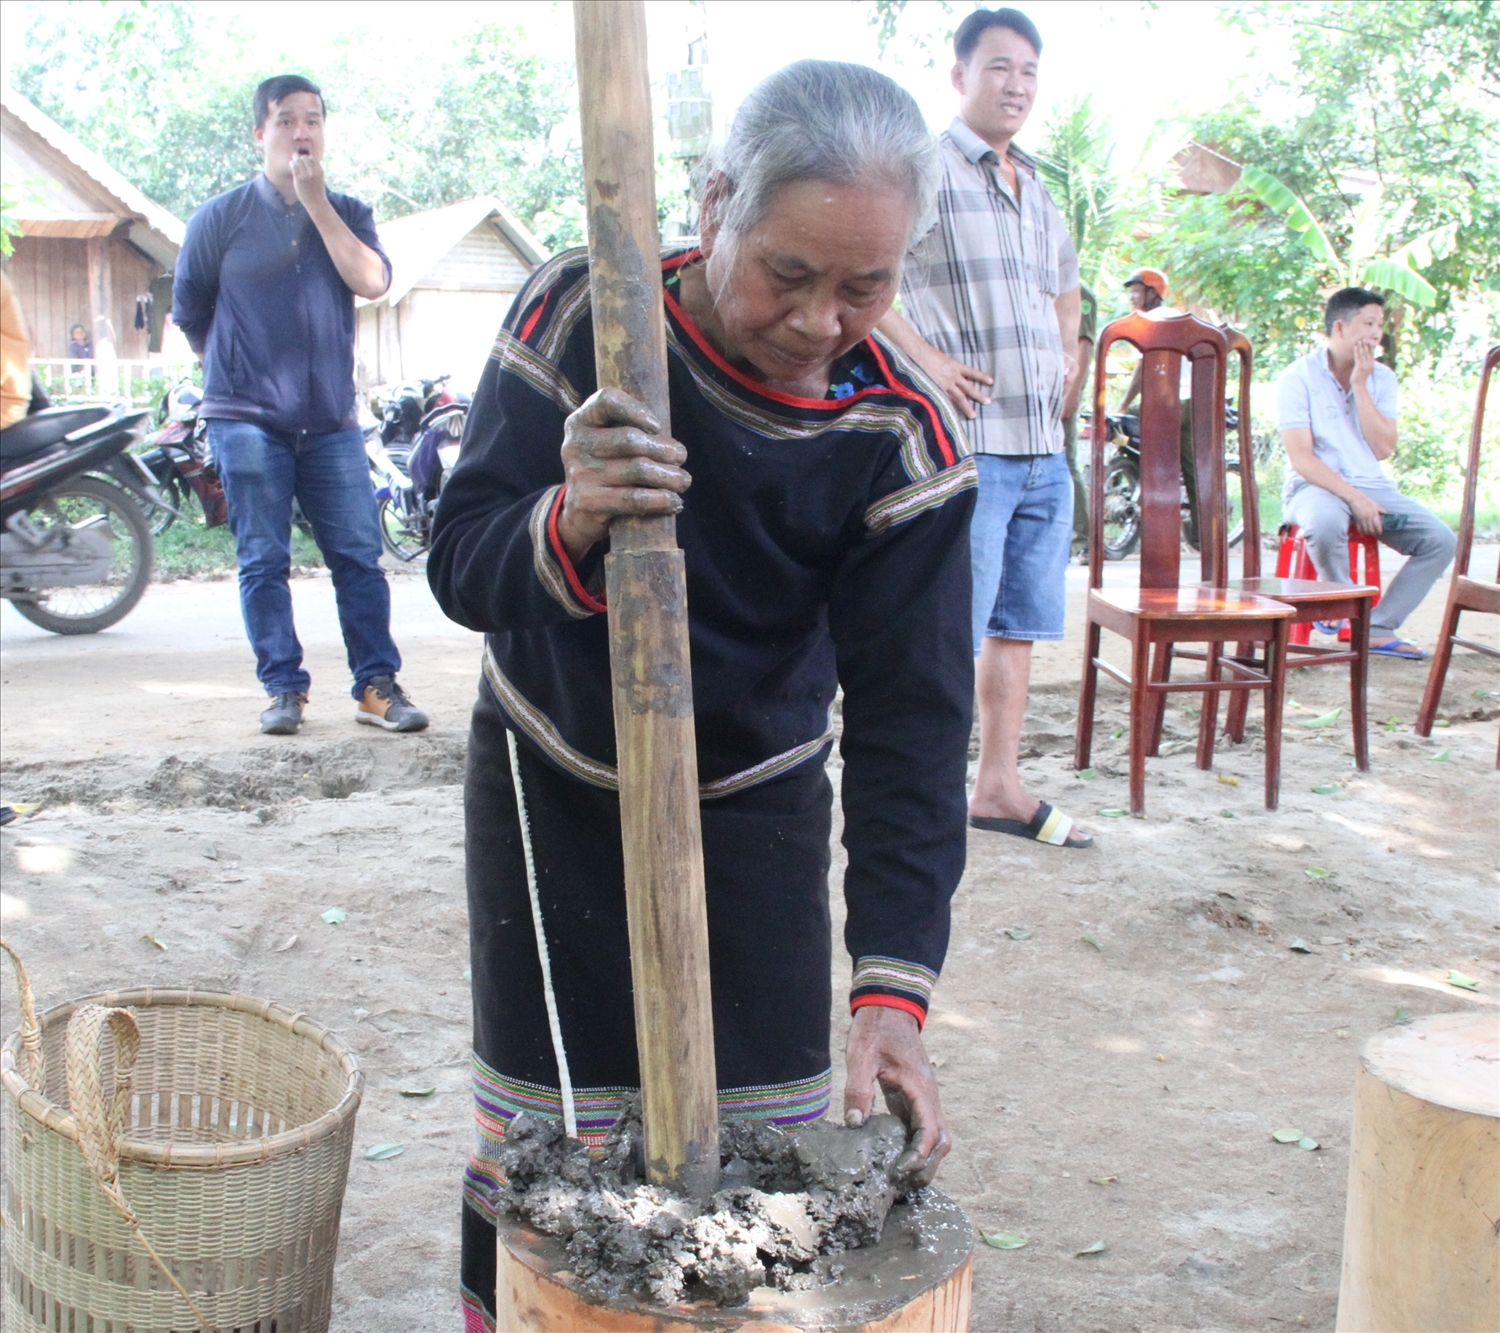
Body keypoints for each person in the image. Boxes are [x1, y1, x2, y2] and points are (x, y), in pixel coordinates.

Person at [428, 60, 977, 1326]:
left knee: (759, 1165)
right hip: (551, 773)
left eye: (867, 286)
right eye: (789, 272)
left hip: (754, 801)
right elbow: (460, 563)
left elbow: (912, 727)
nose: (821, 320)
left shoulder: (903, 439)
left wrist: (893, 990)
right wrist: (571, 514)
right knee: (548, 1144)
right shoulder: (584, 315)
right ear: (718, 202)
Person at [875, 6, 1093, 850]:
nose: (1017, 85)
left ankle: (997, 783)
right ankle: (923, 792)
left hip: (1042, 447)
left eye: (1029, 71)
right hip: (970, 444)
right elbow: (870, 282)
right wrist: (927, 359)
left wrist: (1071, 351)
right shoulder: (924, 172)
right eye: (1000, 67)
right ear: (960, 74)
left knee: (1019, 624)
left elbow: (1067, 285)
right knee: (947, 632)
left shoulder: (1035, 186)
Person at [174, 74, 427, 735]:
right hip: (245, 419)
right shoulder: (219, 218)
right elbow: (191, 311)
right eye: (286, 120)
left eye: (312, 119)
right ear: (261, 132)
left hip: (331, 420)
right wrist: (235, 371)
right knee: (264, 558)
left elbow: (371, 281)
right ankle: (283, 688)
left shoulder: (348, 211)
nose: (301, 132)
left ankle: (376, 685)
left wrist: (317, 204)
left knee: (358, 555)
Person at [1278, 287, 1456, 658]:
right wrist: (1354, 498)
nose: (1376, 334)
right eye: (1368, 324)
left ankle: (1377, 627)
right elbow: (1302, 458)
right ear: (1339, 328)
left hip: (1372, 484)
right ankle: (1337, 600)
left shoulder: (1382, 379)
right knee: (1325, 522)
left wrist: (1360, 384)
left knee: (1440, 540)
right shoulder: (1297, 377)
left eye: (1379, 325)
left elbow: (1383, 448)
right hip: (1313, 485)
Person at [1116, 266, 1200, 549]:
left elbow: (1142, 369)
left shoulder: (1149, 320)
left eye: (1137, 291)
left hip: (1167, 404)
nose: (1132, 297)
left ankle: (1150, 501)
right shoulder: (1178, 316)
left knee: (1131, 424)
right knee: (1192, 469)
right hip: (1191, 403)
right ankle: (1202, 536)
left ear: (1152, 293)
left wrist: (1123, 405)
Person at [1062, 282, 1097, 558]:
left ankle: (1082, 539)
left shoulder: (1078, 290)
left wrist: (1072, 394)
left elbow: (1084, 345)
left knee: (1066, 461)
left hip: (1063, 389)